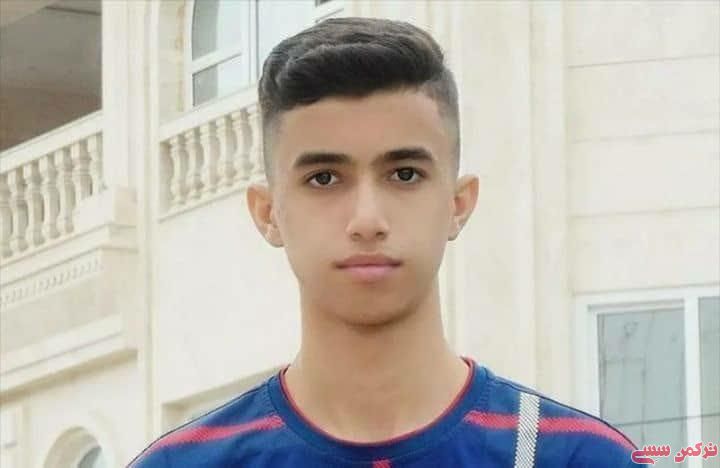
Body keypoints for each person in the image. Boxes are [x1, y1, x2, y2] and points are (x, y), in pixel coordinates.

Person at [130, 17, 645, 468]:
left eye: (404, 174)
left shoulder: (580, 458)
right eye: (324, 179)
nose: (367, 220)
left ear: (459, 203)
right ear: (268, 214)